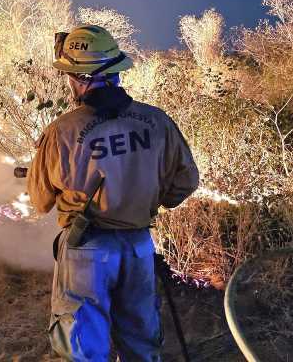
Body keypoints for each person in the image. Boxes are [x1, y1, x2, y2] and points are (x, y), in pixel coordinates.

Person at [27, 25, 199, 361]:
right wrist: (148, 197)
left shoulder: (61, 131)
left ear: (78, 78)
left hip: (87, 251)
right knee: (141, 341)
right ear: (117, 72)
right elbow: (186, 180)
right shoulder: (157, 121)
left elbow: (40, 199)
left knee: (84, 346)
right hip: (138, 247)